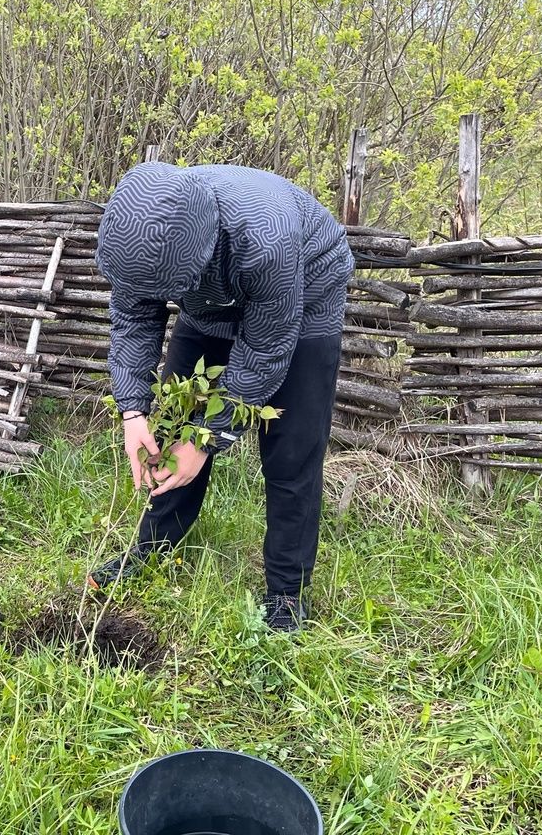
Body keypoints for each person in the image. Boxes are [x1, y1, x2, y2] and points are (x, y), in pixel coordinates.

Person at [89, 162, 353, 631]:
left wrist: (206, 440)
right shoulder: (143, 240)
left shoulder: (267, 239)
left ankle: (286, 593)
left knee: (291, 449)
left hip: (305, 293)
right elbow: (133, 320)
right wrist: (133, 413)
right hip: (208, 301)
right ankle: (153, 550)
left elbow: (267, 350)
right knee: (171, 428)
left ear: (200, 256)